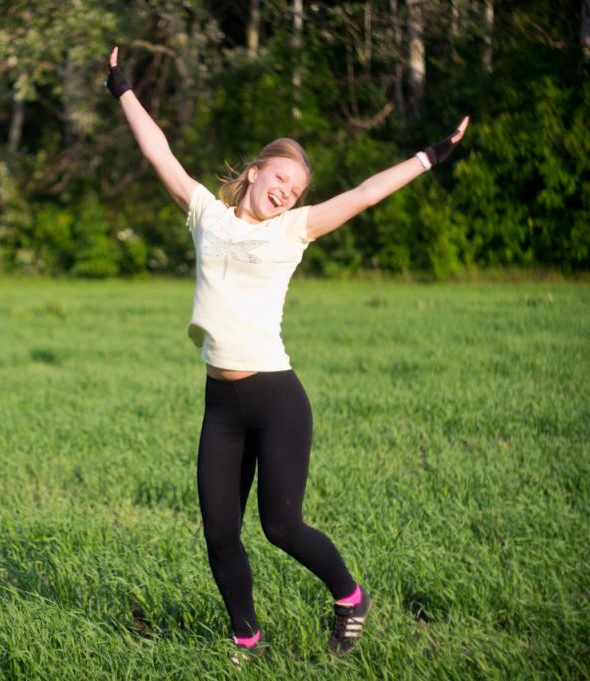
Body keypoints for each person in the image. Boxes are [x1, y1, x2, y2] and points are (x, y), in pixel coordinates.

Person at [104, 45, 468, 658]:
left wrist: (429, 156)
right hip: (221, 402)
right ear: (255, 171)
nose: (286, 193)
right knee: (220, 531)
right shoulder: (205, 215)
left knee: (281, 526)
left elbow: (367, 193)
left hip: (276, 398)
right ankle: (246, 638)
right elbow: (156, 149)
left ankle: (350, 597)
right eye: (280, 179)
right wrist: (120, 86)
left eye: (296, 190)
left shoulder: (291, 232)